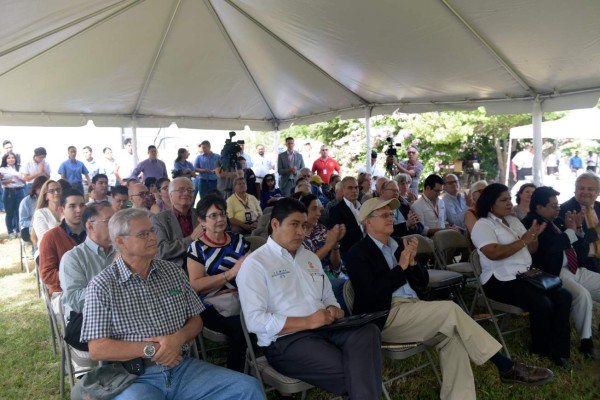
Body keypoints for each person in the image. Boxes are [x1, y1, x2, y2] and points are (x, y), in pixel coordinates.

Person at [346, 197, 553, 400]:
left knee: (453, 337)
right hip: (385, 316)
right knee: (450, 310)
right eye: (383, 215)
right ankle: (506, 366)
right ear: (368, 221)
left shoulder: (399, 245)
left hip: (413, 309)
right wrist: (400, 267)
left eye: (391, 214)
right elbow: (372, 293)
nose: (390, 218)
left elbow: (423, 280)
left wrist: (411, 264)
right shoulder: (357, 253)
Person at [79, 208, 263, 400]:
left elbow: (196, 320)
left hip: (180, 367)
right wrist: (153, 349)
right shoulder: (102, 285)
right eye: (143, 234)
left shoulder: (172, 272)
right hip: (134, 376)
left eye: (152, 231)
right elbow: (98, 348)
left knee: (246, 387)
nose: (152, 237)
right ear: (120, 242)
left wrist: (178, 338)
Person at [237, 198, 383, 398]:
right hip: (286, 342)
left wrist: (333, 307)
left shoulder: (310, 257)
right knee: (359, 370)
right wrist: (307, 321)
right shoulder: (256, 264)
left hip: (326, 328)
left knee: (368, 331)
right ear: (275, 224)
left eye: (304, 226)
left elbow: (327, 295)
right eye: (294, 225)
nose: (301, 232)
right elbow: (255, 321)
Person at [471, 183, 572, 367]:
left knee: (563, 296)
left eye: (510, 199)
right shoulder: (482, 224)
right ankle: (542, 349)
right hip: (499, 280)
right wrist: (523, 241)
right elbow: (493, 252)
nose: (509, 203)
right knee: (543, 303)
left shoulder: (515, 220)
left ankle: (561, 350)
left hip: (524, 275)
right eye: (504, 200)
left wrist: (533, 238)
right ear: (490, 203)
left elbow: (532, 249)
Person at [522, 186, 600, 359]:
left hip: (575, 268)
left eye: (557, 204)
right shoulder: (533, 222)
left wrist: (578, 228)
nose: (558, 208)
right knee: (583, 295)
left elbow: (577, 248)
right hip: (554, 272)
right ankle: (586, 343)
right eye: (553, 205)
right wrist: (571, 231)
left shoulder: (556, 221)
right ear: (539, 208)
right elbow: (551, 247)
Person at [187, 194, 249, 372]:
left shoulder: (239, 241)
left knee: (264, 316)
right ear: (202, 221)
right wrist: (230, 274)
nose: (220, 219)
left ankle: (265, 366)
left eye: (222, 214)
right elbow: (196, 285)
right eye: (213, 215)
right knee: (241, 327)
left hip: (243, 299)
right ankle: (236, 377)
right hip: (210, 304)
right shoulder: (197, 248)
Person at [295, 192, 348, 311]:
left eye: (319, 209)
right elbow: (307, 265)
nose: (318, 213)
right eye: (314, 209)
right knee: (342, 285)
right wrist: (328, 245)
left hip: (330, 275)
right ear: (303, 211)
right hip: (312, 279)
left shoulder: (321, 229)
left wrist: (335, 246)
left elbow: (335, 266)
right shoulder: (296, 236)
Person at [39, 189, 87, 313]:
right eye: (72, 206)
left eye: (82, 205)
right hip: (62, 293)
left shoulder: (93, 233)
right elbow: (46, 274)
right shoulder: (50, 237)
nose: (79, 210)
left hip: (92, 289)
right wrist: (75, 278)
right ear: (61, 210)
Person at [152, 177, 204, 269]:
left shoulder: (201, 214)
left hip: (204, 264)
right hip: (176, 269)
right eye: (181, 190)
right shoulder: (159, 220)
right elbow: (161, 251)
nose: (186, 193)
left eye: (190, 190)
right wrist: (191, 238)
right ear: (170, 194)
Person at [559, 172, 600, 273]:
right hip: (584, 263)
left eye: (590, 189)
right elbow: (573, 242)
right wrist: (596, 230)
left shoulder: (599, 207)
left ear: (598, 192)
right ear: (575, 190)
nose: (585, 192)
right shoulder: (565, 210)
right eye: (581, 188)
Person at [328, 176, 363, 261]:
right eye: (350, 188)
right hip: (350, 255)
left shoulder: (363, 207)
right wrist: (364, 227)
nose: (354, 190)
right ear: (342, 190)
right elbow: (340, 237)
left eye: (356, 187)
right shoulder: (335, 210)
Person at [0, 151, 26, 238]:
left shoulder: (20, 168)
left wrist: (19, 177)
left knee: (19, 212)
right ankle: (10, 231)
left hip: (20, 191)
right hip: (8, 192)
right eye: (9, 158)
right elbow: (1, 182)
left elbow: (24, 180)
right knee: (9, 213)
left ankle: (19, 230)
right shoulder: (2, 169)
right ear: (5, 159)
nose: (11, 159)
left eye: (13, 158)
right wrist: (9, 181)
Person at [32, 180, 63, 248]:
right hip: (48, 251)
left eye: (58, 190)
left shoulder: (66, 210)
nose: (56, 192)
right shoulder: (40, 213)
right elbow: (45, 238)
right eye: (52, 191)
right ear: (46, 196)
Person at [19, 175, 48, 242]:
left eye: (46, 189)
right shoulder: (26, 201)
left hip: (46, 226)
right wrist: (36, 223)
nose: (43, 191)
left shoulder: (49, 199)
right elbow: (22, 222)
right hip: (28, 229)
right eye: (41, 188)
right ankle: (37, 251)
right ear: (35, 188)